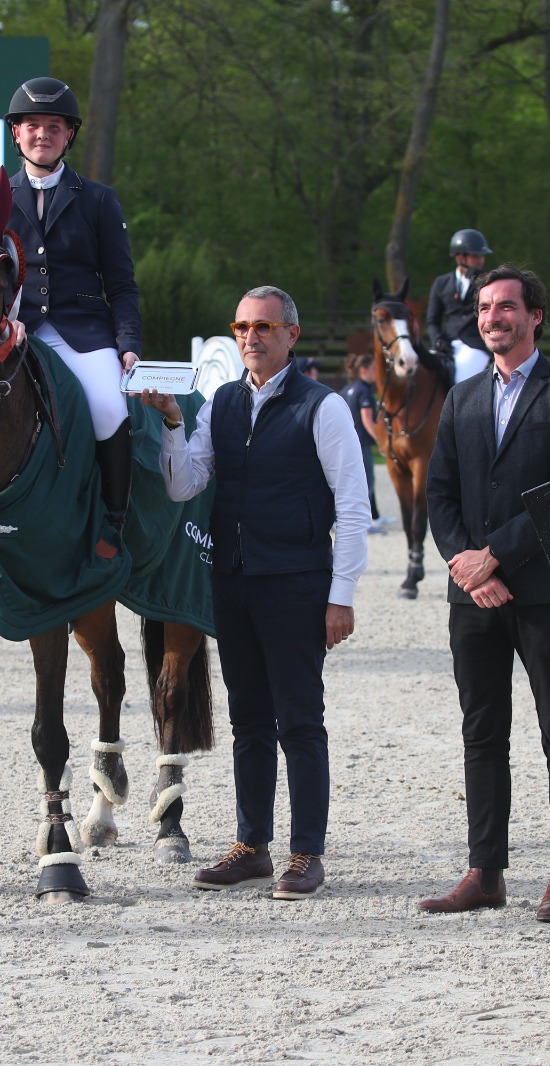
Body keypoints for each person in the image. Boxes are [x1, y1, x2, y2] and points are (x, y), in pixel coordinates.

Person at [140, 285, 370, 901]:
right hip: (233, 580)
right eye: (242, 326)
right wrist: (171, 422)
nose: (250, 336)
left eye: (264, 326)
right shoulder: (222, 402)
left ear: (291, 334)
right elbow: (185, 485)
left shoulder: (323, 407)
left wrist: (341, 595)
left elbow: (353, 507)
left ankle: (307, 853)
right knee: (247, 720)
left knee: (300, 720)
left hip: (296, 582)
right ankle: (252, 846)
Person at [418, 265, 550, 923]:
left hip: (545, 595)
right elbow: (439, 494)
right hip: (473, 599)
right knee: (482, 734)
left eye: (505, 307)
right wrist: (468, 568)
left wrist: (494, 555)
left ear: (534, 316)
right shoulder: (462, 398)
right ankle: (484, 872)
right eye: (485, 308)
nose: (492, 317)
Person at [0, 77, 140, 529]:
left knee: (108, 410)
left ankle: (114, 521)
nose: (42, 134)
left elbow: (122, 285)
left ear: (69, 134)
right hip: (14, 332)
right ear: (16, 133)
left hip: (83, 333)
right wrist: (2, 322)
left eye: (54, 126)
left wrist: (128, 343)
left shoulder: (99, 200)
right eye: (32, 125)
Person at [426, 228, 494, 393]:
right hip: (447, 344)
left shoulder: (488, 282)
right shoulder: (441, 283)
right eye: (475, 256)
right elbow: (432, 320)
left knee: (460, 383)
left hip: (476, 344)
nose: (480, 260)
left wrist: (477, 281)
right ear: (459, 257)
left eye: (481, 256)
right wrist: (437, 339)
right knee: (422, 374)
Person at [339, 353, 383, 530]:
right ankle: (363, 523)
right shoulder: (365, 390)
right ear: (364, 369)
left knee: (349, 485)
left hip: (346, 443)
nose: (376, 372)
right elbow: (367, 420)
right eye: (374, 368)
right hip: (361, 444)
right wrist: (381, 440)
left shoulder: (347, 389)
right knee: (366, 484)